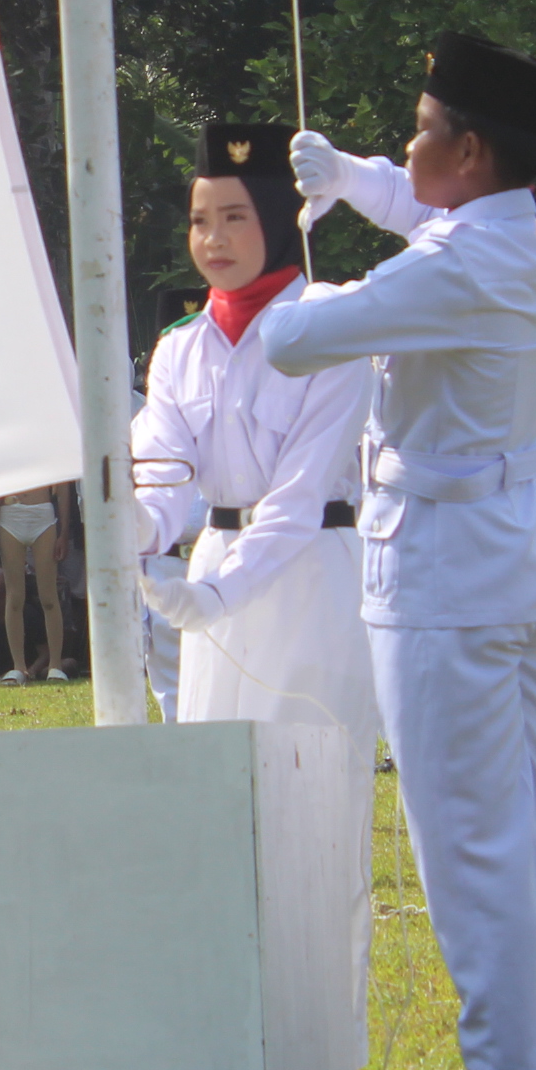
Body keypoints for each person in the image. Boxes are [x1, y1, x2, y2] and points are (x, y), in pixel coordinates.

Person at [270, 30, 536, 1070]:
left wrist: (270, 243)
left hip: (447, 565)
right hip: (493, 552)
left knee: (465, 835)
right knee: (515, 823)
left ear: (470, 150)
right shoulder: (519, 238)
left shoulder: (460, 268)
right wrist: (353, 180)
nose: (407, 144)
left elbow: (298, 339)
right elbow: (428, 216)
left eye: (421, 128)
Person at [129, 121, 378, 754]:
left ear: (275, 218)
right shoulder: (179, 348)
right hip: (212, 565)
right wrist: (130, 530)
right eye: (199, 220)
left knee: (310, 776)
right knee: (217, 775)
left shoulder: (329, 330)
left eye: (234, 217)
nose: (213, 239)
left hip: (310, 569)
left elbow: (301, 491)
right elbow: (160, 477)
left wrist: (218, 594)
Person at [0, 484, 68, 682]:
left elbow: (63, 489)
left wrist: (64, 533)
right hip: (10, 514)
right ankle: (19, 666)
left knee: (49, 597)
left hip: (43, 514)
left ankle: (55, 665)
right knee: (14, 597)